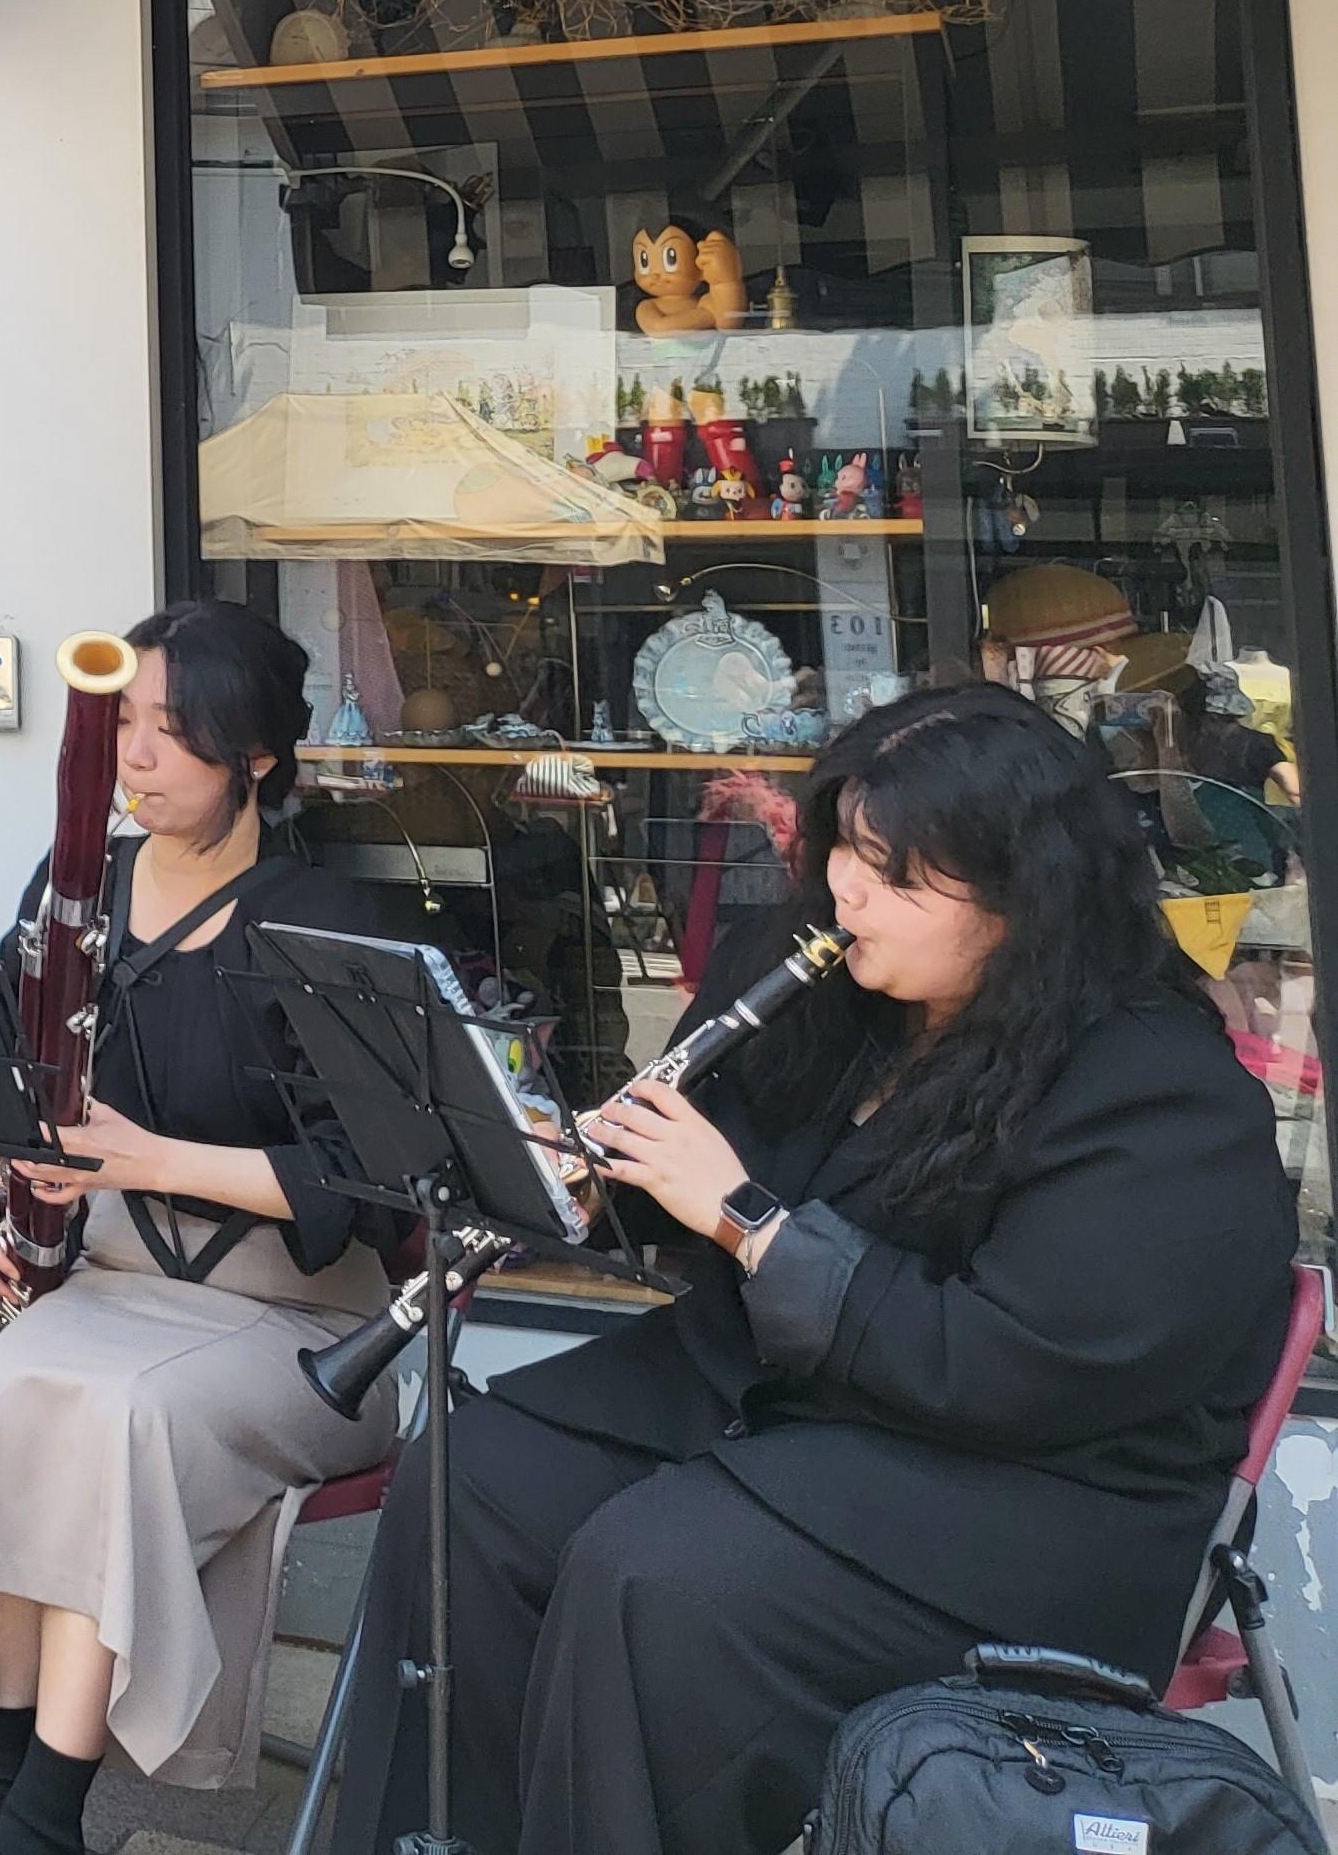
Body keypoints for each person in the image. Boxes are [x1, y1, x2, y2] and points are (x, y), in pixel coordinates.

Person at [330, 682, 1298, 1855]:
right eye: (844, 843)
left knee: (654, 1577)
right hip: (795, 1402)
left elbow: (1012, 1364)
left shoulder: (1159, 1095)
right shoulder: (835, 998)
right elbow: (706, 1202)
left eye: (896, 874)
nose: (845, 888)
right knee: (470, 1479)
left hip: (1032, 1489)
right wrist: (593, 1182)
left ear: (1023, 895)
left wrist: (745, 1219)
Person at [0, 601, 403, 1855]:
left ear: (255, 759)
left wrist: (144, 1158)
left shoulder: (328, 922)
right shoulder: (77, 881)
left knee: (117, 1420)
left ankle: (38, 1817)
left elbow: (360, 1186)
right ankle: (2, 1790)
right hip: (120, 1283)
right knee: (8, 1388)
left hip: (299, 1319)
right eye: (122, 724)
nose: (133, 759)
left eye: (172, 734)